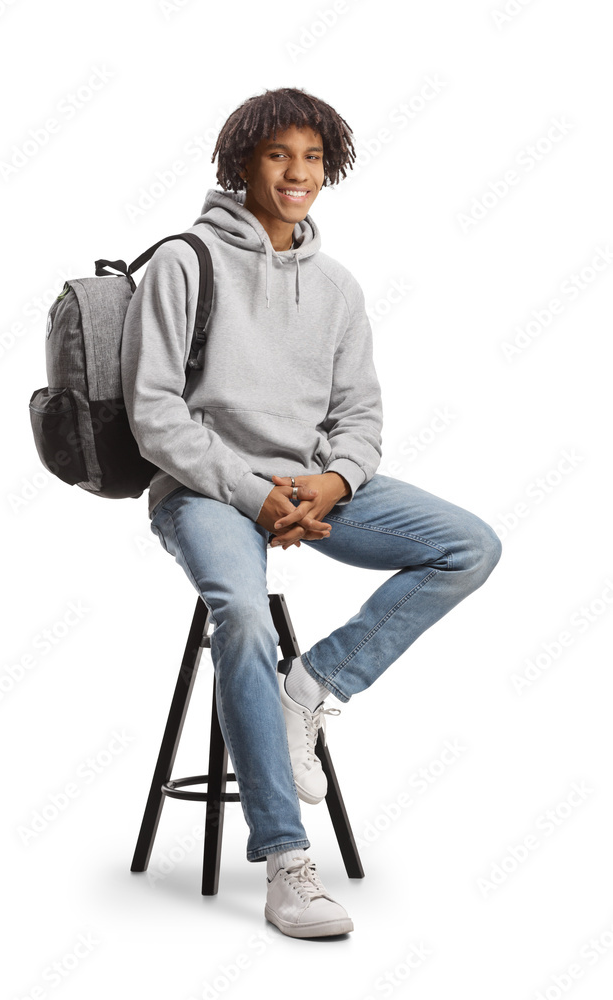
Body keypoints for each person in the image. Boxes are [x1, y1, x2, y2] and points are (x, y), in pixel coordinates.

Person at [120, 86, 502, 939]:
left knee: (468, 546)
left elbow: (359, 415)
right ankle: (286, 862)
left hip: (310, 490)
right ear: (241, 163)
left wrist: (333, 482)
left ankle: (316, 685)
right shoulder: (185, 262)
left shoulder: (335, 286)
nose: (297, 173)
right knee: (243, 617)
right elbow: (154, 414)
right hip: (204, 491)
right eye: (277, 155)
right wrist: (253, 494)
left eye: (312, 158)